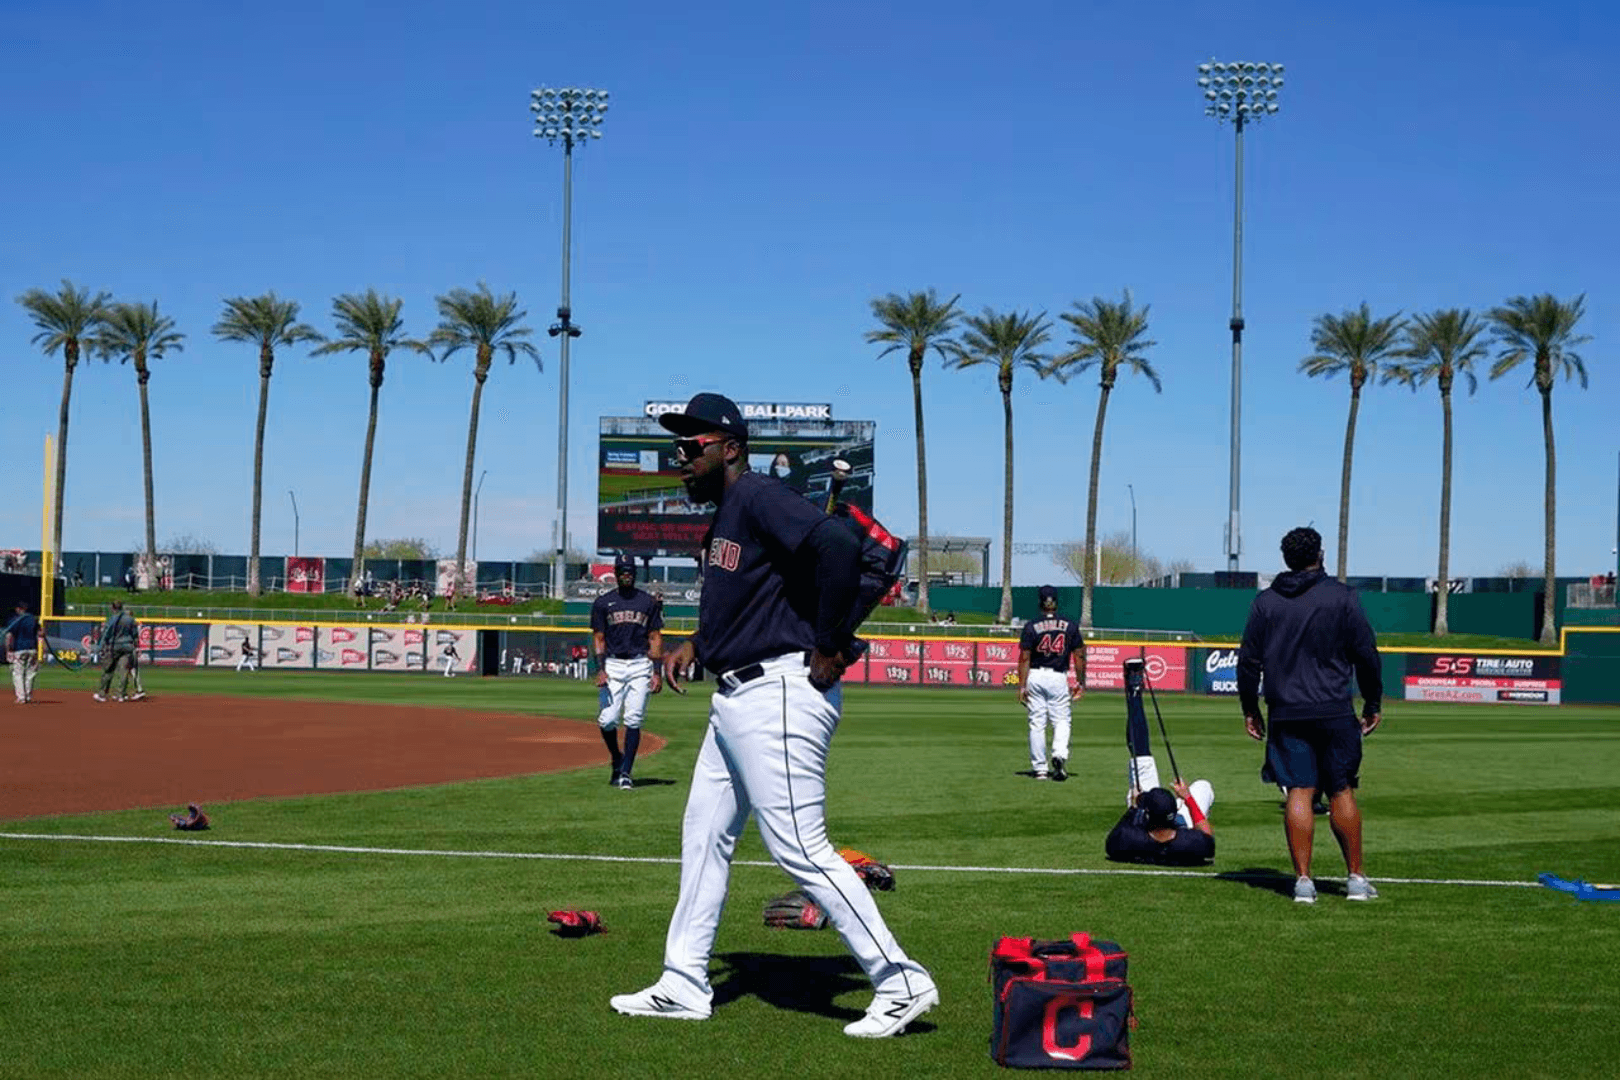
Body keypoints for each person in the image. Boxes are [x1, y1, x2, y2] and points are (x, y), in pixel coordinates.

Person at [610, 391, 937, 1038]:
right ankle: (683, 981)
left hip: (779, 693)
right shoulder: (727, 516)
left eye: (692, 445)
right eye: (677, 445)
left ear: (729, 448)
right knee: (703, 836)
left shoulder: (757, 496)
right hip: (734, 698)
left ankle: (901, 981)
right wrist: (698, 644)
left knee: (800, 849)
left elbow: (839, 548)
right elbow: (758, 601)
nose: (680, 456)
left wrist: (831, 639)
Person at [1238, 526, 1383, 905]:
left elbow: (1248, 662)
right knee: (1340, 789)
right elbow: (1366, 654)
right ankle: (1355, 878)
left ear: (1286, 559)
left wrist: (1250, 709)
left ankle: (1303, 882)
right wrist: (1373, 703)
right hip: (1334, 709)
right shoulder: (1343, 597)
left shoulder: (1266, 603)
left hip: (1287, 711)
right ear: (1320, 554)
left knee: (1299, 791)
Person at [590, 552, 664, 789]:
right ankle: (616, 757)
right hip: (613, 664)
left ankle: (625, 773)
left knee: (633, 718)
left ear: (635, 573)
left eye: (629, 571)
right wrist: (600, 669)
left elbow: (655, 637)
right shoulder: (603, 603)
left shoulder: (647, 602)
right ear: (615, 573)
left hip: (640, 663)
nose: (626, 575)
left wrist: (657, 671)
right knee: (608, 719)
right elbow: (599, 638)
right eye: (622, 571)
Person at [1015, 585, 1085, 781]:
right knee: (1061, 720)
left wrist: (1022, 685)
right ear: (1056, 602)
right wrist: (1080, 682)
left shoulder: (1031, 625)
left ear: (1040, 602)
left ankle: (1040, 769)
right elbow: (1079, 654)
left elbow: (1024, 657)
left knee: (1037, 723)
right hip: (1057, 676)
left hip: (1036, 675)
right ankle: (1059, 755)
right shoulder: (1069, 625)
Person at [1105, 779, 1215, 866]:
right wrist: (1187, 797)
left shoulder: (1127, 839)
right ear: (1175, 812)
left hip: (1145, 840)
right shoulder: (1194, 842)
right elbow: (1207, 836)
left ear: (1146, 815)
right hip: (1181, 838)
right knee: (1203, 785)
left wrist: (1134, 808)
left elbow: (1116, 835)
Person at [94, 598, 141, 702]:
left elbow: (106, 634)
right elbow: (135, 635)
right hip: (127, 647)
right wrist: (137, 647)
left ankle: (102, 694)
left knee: (109, 670)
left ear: (113, 608)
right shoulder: (130, 619)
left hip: (114, 646)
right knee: (124, 671)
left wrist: (100, 647)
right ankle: (121, 694)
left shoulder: (112, 619)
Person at [6, 600, 40, 704]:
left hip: (19, 649)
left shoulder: (14, 620)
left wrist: (8, 649)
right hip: (32, 648)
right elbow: (41, 633)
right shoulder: (33, 619)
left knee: (18, 673)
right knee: (30, 673)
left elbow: (9, 636)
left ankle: (21, 697)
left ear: (19, 609)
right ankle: (28, 696)